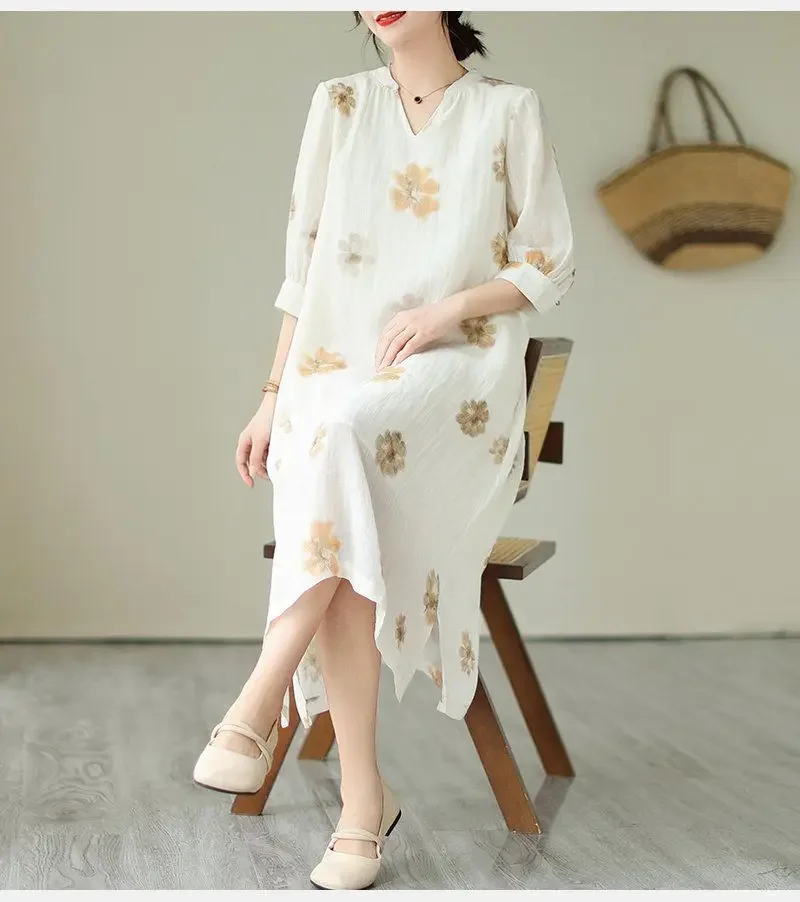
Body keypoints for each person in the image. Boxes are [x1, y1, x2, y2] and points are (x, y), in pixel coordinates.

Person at [194, 9, 575, 890]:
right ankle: (362, 802)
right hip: (334, 370)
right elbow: (304, 271)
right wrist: (271, 396)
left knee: (345, 447)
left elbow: (549, 260)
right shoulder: (337, 105)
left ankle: (260, 696)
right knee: (339, 458)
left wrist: (448, 309)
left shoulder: (508, 110)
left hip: (458, 375)